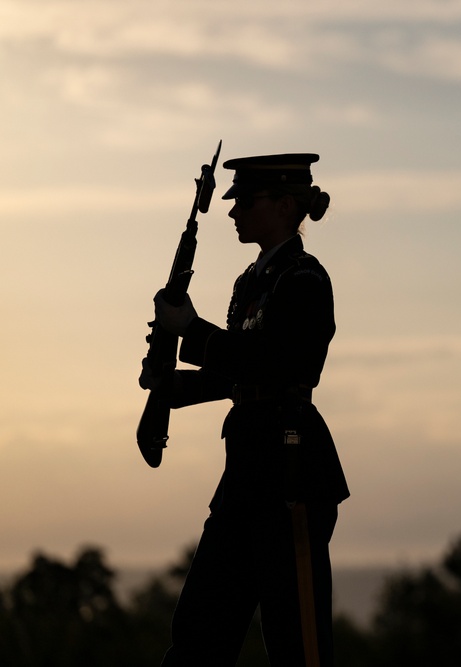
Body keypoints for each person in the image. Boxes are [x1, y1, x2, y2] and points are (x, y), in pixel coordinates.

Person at [140, 153, 350, 666]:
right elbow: (236, 377)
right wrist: (169, 387)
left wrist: (190, 329)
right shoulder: (250, 282)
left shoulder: (303, 280)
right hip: (248, 471)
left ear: (283, 205)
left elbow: (274, 364)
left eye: (246, 202)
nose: (233, 213)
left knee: (297, 642)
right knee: (199, 632)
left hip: (291, 472)